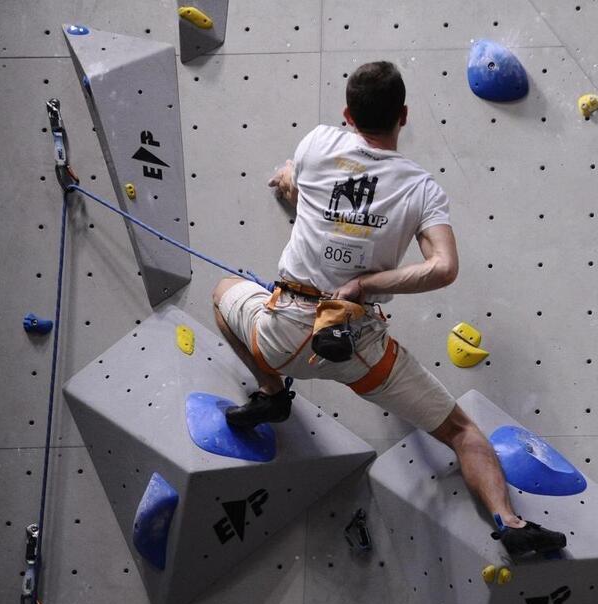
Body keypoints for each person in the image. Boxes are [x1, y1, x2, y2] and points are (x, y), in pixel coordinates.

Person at [211, 61, 565, 557]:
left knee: (223, 291)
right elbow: (442, 268)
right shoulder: (422, 191)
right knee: (462, 432)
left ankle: (271, 391)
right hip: (359, 350)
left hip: (281, 328)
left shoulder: (315, 145)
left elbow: (298, 183)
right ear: (404, 115)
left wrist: (291, 183)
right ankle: (509, 523)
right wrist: (369, 282)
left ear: (346, 115)